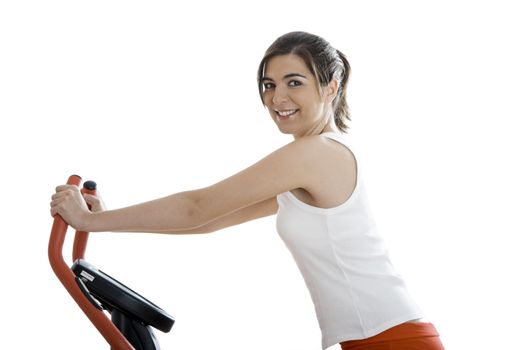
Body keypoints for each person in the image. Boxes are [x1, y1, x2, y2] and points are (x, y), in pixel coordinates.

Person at [50, 31, 445, 350]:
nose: (278, 98)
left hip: (393, 340)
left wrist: (89, 221)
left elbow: (197, 207)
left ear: (330, 87)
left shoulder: (317, 154)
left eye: (295, 83)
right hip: (377, 339)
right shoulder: (312, 164)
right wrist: (101, 220)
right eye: (269, 84)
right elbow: (207, 222)